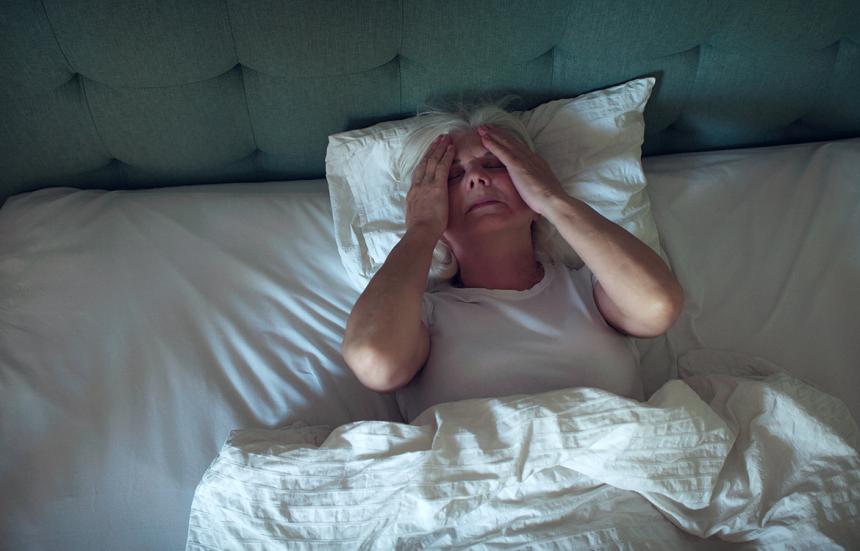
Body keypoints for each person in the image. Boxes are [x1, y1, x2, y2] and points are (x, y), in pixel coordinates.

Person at [341, 102, 684, 423]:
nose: (476, 178)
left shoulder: (589, 290)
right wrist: (421, 229)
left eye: (493, 165)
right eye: (453, 177)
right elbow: (372, 359)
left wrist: (553, 199)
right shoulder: (426, 316)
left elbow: (658, 304)